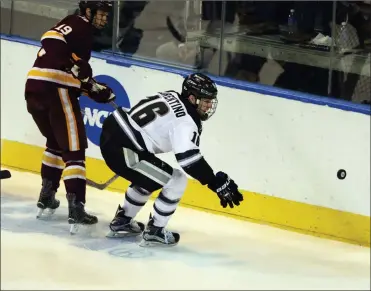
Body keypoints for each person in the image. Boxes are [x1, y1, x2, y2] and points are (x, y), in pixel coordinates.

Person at [99, 73, 244, 247]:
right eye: (205, 101)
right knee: (176, 180)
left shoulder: (172, 95)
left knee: (150, 176)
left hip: (116, 131)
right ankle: (155, 231)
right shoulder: (187, 121)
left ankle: (122, 221)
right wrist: (214, 182)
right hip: (125, 148)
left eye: (210, 101)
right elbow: (189, 161)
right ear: (192, 97)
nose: (209, 106)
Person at [24, 1, 116, 231]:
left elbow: (74, 74)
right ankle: (77, 207)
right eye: (101, 14)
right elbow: (51, 39)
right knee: (74, 149)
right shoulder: (79, 24)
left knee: (55, 142)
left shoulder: (75, 29)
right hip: (56, 91)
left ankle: (47, 195)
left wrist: (96, 90)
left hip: (35, 89)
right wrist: (75, 64)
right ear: (87, 11)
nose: (104, 19)